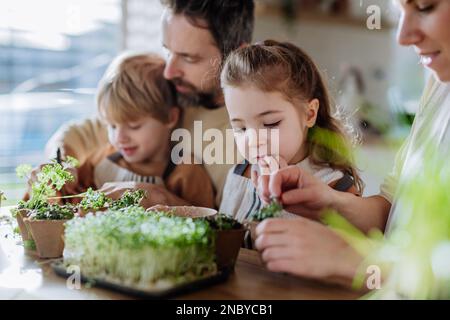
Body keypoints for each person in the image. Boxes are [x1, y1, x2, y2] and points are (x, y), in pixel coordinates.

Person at [253, 0, 450, 287]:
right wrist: (330, 203)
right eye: (399, 12)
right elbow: (393, 211)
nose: (403, 36)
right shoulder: (439, 85)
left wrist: (353, 258)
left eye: (424, 7)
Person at [43, 0, 255, 207]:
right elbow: (75, 135)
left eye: (188, 58)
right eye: (168, 51)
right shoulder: (173, 92)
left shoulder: (255, 134)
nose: (169, 71)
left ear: (235, 55)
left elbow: (238, 234)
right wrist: (58, 167)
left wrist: (162, 199)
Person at [219, 40, 362, 223]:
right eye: (241, 128)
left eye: (270, 124)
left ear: (309, 114)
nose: (254, 141)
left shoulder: (335, 187)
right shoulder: (239, 174)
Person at [70, 52, 214, 208]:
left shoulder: (187, 173)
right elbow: (72, 199)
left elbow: (209, 221)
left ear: (170, 117)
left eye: (134, 126)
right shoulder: (101, 160)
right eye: (112, 126)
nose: (119, 138)